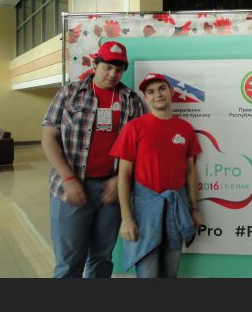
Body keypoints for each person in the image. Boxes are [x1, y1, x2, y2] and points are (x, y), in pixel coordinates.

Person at [41, 40, 145, 278]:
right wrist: (68, 178)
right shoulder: (69, 94)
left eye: (119, 69)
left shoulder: (131, 100)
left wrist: (120, 179)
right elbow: (48, 137)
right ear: (95, 65)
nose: (113, 74)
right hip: (71, 187)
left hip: (112, 191)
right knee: (69, 263)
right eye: (107, 67)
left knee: (101, 258)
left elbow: (140, 147)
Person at [110, 73, 203, 278]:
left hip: (175, 210)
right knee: (147, 273)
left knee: (171, 271)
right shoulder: (134, 128)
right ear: (146, 98)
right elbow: (124, 176)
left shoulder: (185, 128)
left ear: (171, 92)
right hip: (145, 213)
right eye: (151, 92)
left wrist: (194, 208)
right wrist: (127, 219)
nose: (157, 95)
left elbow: (190, 172)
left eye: (162, 89)